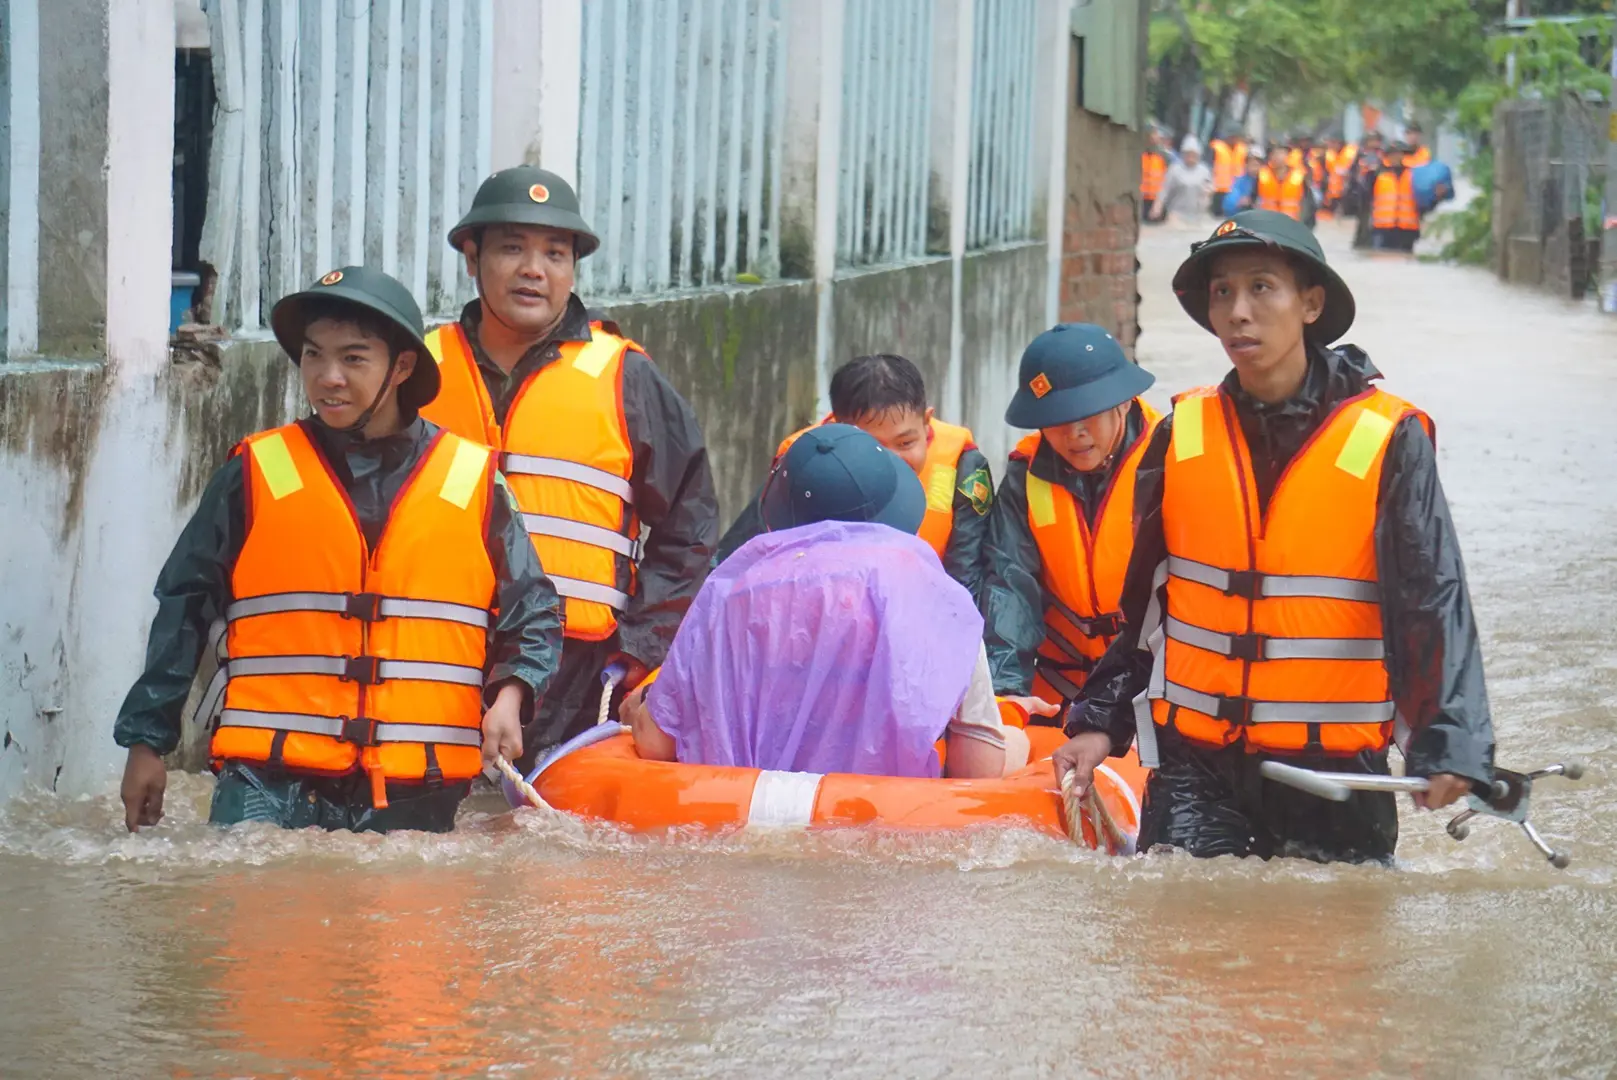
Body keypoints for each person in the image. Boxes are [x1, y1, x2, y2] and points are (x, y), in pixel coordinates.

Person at [1049, 210, 1496, 864]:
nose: (1237, 312)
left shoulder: (1387, 438)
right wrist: (1098, 721)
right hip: (1194, 769)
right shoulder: (1181, 434)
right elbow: (1148, 605)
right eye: (1222, 292)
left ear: (1310, 303)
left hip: (1331, 774)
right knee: (1173, 943)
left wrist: (1449, 742)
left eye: (1261, 287)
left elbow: (1431, 600)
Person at [114, 267, 564, 833]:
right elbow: (184, 603)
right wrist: (146, 743)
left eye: (353, 359)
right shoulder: (254, 471)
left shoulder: (472, 479)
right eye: (312, 356)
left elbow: (537, 609)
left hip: (415, 789)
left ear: (401, 366)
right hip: (266, 783)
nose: (328, 378)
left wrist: (512, 694)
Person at [420, 165, 718, 763]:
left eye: (555, 253)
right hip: (432, 655)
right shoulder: (417, 368)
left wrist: (641, 643)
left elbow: (691, 526)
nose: (535, 269)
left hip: (575, 675)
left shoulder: (625, 376)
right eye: (512, 249)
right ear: (471, 258)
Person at [624, 425, 1035, 779]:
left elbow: (658, 745)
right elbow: (976, 770)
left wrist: (645, 705)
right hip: (884, 828)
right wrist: (1018, 744)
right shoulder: (939, 599)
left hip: (740, 821)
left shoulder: (730, 590)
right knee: (1013, 742)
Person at [980, 324, 1162, 711]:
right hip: (1058, 690)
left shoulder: (1167, 462)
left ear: (1125, 403)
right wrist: (1006, 695)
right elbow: (1009, 585)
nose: (1075, 433)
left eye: (1088, 415)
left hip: (1151, 686)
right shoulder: (1023, 476)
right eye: (1057, 418)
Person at [715, 353, 994, 597]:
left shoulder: (963, 467)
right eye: (871, 447)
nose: (891, 463)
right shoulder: (806, 460)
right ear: (836, 427)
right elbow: (739, 562)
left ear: (926, 420)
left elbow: (967, 580)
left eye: (905, 443)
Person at [1150, 137, 1214, 223]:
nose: (1191, 157)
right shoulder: (1174, 170)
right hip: (1176, 214)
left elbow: (1209, 188)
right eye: (1188, 154)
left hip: (1198, 216)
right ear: (1183, 154)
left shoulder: (1204, 170)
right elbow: (1164, 190)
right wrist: (1156, 208)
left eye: (1193, 154)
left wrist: (1209, 193)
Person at [1370, 143, 1421, 252]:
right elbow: (1364, 197)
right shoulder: (1377, 173)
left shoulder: (1413, 174)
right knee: (1382, 261)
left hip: (1407, 228)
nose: (1395, 157)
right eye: (1392, 154)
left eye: (1398, 154)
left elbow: (1423, 198)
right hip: (1383, 228)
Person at [1257, 142, 1310, 224]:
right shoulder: (1262, 174)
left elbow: (1308, 202)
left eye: (1282, 153)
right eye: (1275, 153)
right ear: (1270, 156)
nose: (1278, 157)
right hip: (1267, 222)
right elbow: (1254, 198)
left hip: (1291, 223)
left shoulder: (1299, 175)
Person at [1222, 149, 1263, 215]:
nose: (1256, 168)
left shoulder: (1265, 181)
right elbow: (1228, 205)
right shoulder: (1240, 181)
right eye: (1253, 165)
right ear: (1246, 165)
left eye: (1258, 165)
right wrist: (1239, 202)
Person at [1141, 131, 1169, 223]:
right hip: (1142, 200)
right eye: (1151, 138)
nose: (1153, 140)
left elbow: (1168, 180)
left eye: (1156, 138)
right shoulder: (1140, 155)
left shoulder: (1163, 156)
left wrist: (1160, 204)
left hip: (1158, 200)